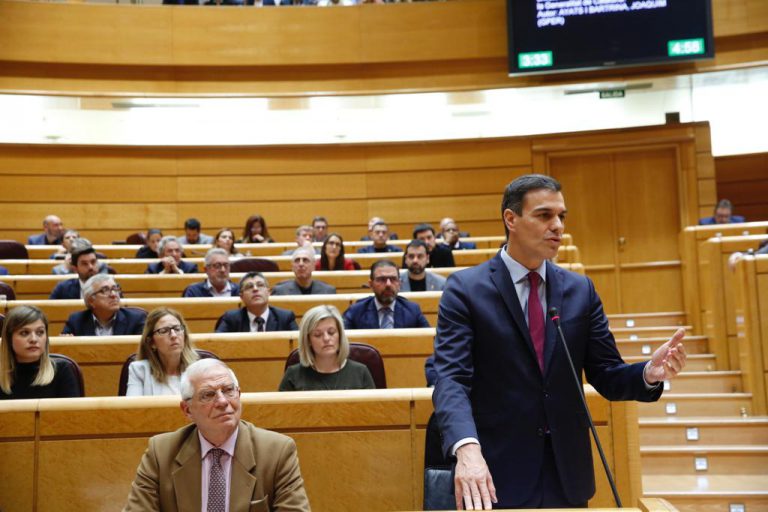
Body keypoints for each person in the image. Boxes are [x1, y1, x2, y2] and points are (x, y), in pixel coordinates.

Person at [432, 174, 687, 509]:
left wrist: (648, 374)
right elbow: (451, 379)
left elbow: (606, 373)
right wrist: (466, 448)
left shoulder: (580, 290)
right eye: (544, 215)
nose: (557, 226)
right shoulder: (466, 290)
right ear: (511, 219)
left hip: (566, 476)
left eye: (561, 216)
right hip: (494, 474)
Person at [123, 358, 310, 511]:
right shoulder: (161, 453)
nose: (222, 401)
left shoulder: (277, 452)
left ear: (239, 395)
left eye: (228, 391)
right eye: (208, 395)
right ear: (187, 410)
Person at [279, 305, 375, 391]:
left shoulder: (360, 372)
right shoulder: (293, 375)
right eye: (317, 335)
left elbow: (374, 409)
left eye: (331, 332)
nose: (326, 338)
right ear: (308, 340)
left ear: (340, 335)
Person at [0, 305, 81, 399]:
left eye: (40, 332)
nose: (34, 339)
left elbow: (73, 413)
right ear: (9, 338)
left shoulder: (62, 371)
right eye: (24, 333)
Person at [126, 307, 199, 396]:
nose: (173, 335)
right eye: (164, 331)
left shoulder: (198, 370)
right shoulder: (139, 370)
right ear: (151, 342)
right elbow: (133, 408)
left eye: (177, 329)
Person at [343, 260, 430, 329]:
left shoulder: (412, 310)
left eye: (393, 279)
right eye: (381, 279)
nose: (388, 284)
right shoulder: (356, 311)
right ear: (371, 284)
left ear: (399, 283)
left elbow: (429, 340)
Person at [61, 274, 147, 336]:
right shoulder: (76, 321)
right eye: (105, 290)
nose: (114, 294)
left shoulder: (136, 319)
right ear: (91, 300)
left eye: (115, 288)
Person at [215, 272, 299, 333]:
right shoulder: (231, 319)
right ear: (241, 296)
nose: (255, 289)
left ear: (268, 292)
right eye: (249, 287)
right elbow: (217, 345)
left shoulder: (285, 318)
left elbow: (298, 347)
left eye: (260, 285)